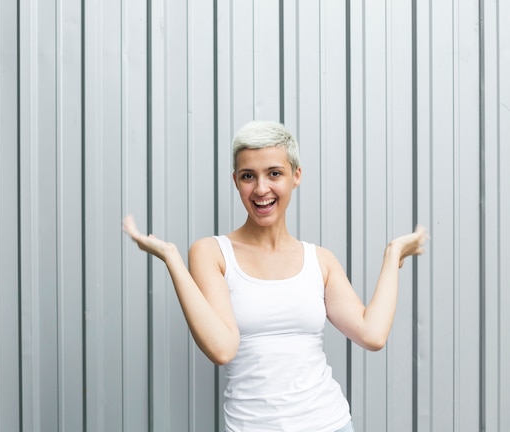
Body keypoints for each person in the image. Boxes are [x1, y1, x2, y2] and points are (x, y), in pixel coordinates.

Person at [122, 120, 428, 432]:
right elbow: (222, 349)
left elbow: (371, 334)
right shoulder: (212, 253)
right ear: (235, 181)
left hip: (330, 423)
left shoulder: (319, 260)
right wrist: (171, 258)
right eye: (247, 176)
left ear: (296, 175)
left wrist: (393, 254)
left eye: (274, 173)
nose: (261, 189)